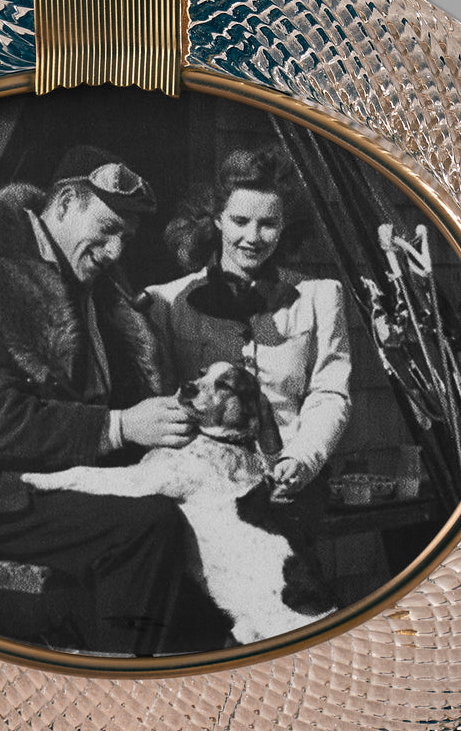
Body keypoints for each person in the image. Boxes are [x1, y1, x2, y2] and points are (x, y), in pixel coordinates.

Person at [0, 145, 212, 657]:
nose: (115, 251)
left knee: (194, 509)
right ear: (65, 203)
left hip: (56, 471)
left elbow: (120, 399)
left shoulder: (95, 290)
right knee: (142, 527)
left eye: (126, 238)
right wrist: (121, 426)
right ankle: (115, 684)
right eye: (107, 229)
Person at [144, 148, 352, 501]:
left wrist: (301, 459)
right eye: (240, 221)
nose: (253, 237)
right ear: (218, 220)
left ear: (284, 226)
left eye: (268, 224)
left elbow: (329, 394)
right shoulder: (166, 301)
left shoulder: (318, 297)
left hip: (288, 480)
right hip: (198, 482)